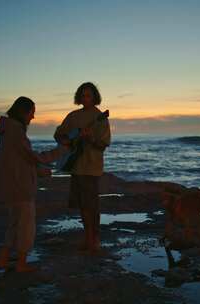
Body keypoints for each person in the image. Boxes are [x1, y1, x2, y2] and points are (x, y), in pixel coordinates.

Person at [0, 96, 64, 272]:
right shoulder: (16, 132)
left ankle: (3, 259)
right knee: (26, 225)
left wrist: (39, 171)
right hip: (20, 187)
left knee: (14, 223)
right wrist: (61, 151)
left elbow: (20, 161)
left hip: (10, 185)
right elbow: (33, 157)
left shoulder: (8, 130)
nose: (33, 117)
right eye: (32, 112)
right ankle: (21, 264)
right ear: (23, 112)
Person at [54, 82, 111, 254]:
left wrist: (91, 138)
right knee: (82, 205)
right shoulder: (73, 116)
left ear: (95, 97)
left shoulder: (100, 118)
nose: (86, 98)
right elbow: (59, 134)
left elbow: (103, 145)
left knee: (91, 205)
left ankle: (95, 240)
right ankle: (87, 238)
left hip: (91, 167)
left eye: (89, 95)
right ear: (79, 97)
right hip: (75, 165)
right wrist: (65, 141)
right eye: (83, 95)